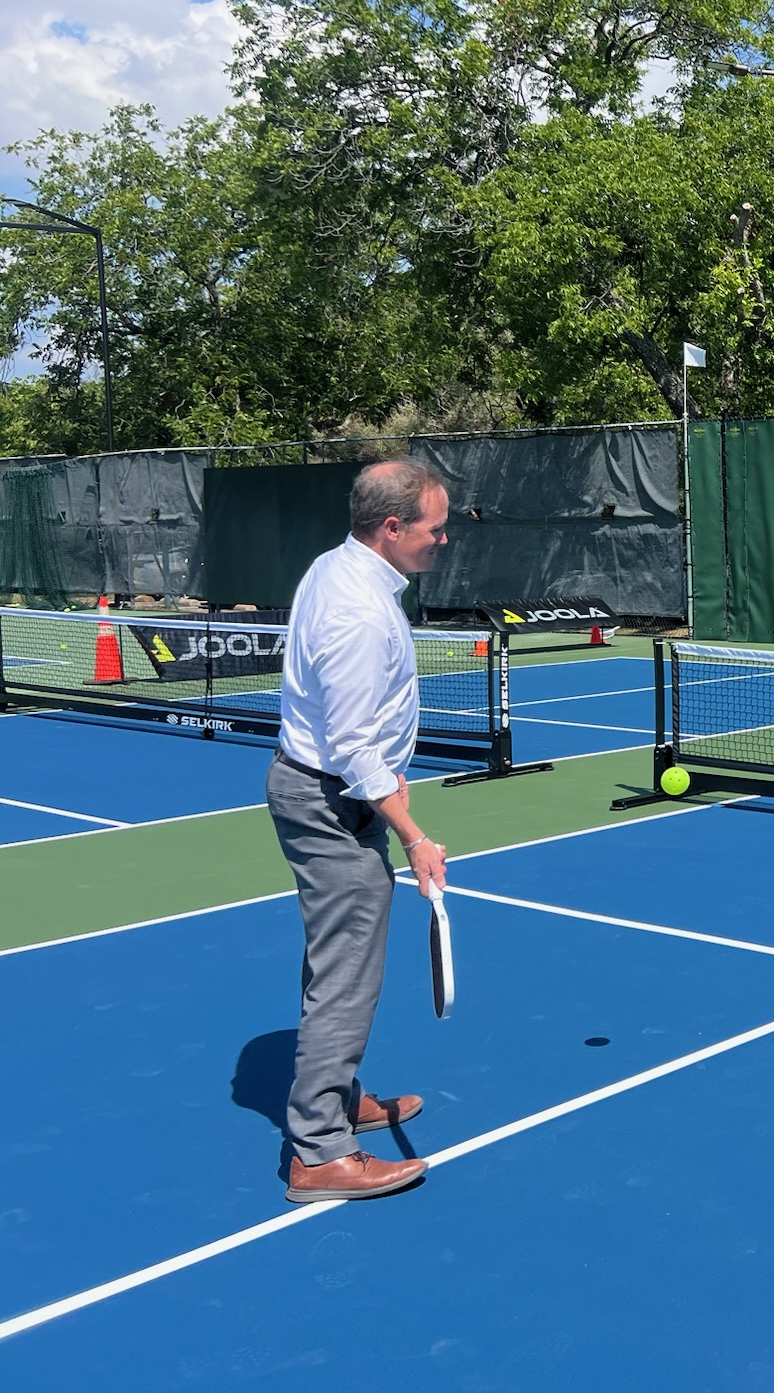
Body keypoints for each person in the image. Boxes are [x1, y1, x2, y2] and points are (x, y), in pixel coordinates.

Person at [268, 460, 451, 1203]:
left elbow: (360, 735)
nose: (443, 539)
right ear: (392, 528)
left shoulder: (343, 568)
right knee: (347, 977)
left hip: (341, 797)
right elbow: (349, 746)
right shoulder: (356, 611)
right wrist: (414, 834)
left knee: (334, 965)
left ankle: (337, 1098)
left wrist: (389, 785)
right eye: (435, 528)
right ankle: (318, 1152)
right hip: (328, 803)